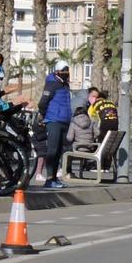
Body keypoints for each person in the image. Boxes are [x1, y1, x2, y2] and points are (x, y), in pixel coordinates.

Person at [36, 58, 74, 188]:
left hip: (64, 121)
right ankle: (49, 179)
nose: (66, 72)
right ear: (57, 71)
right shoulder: (52, 84)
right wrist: (46, 116)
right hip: (54, 121)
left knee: (58, 151)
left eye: (67, 70)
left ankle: (54, 179)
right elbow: (42, 103)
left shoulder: (65, 85)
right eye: (64, 70)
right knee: (52, 150)